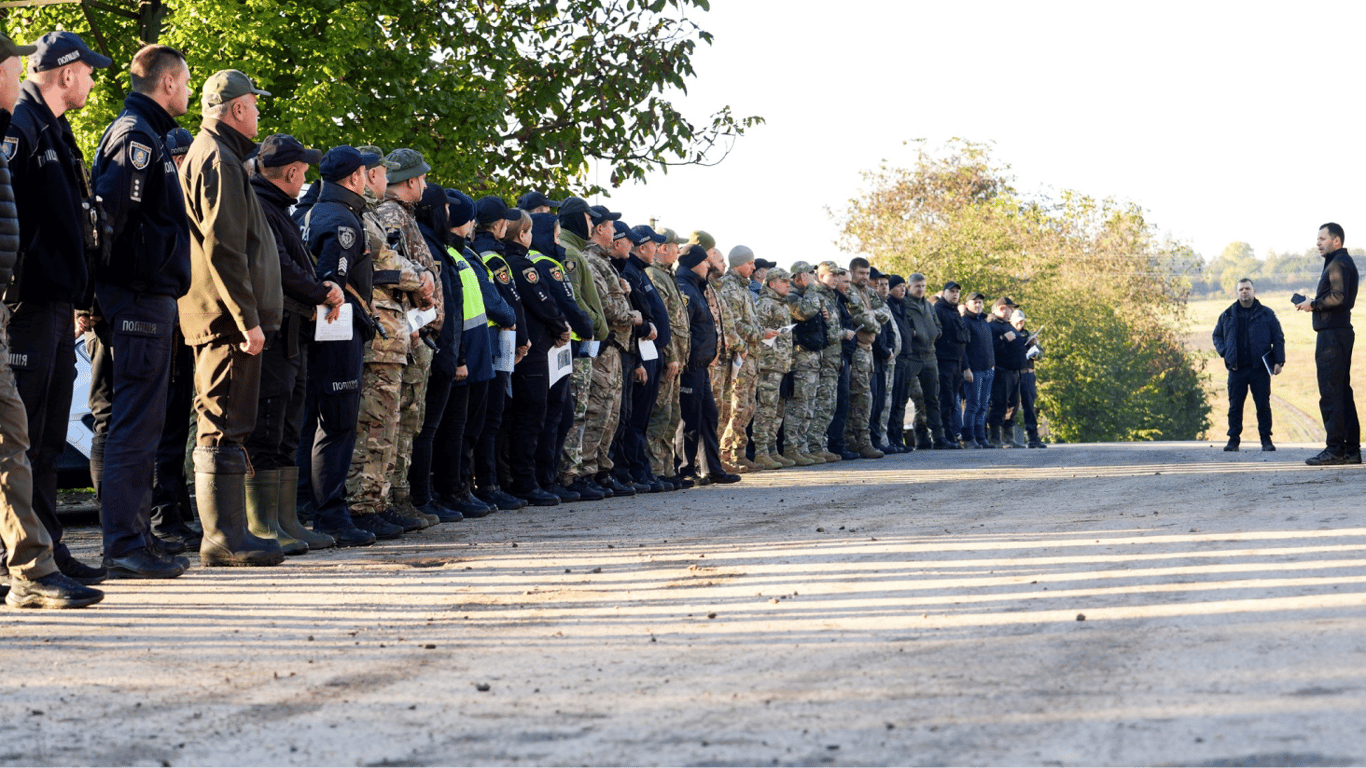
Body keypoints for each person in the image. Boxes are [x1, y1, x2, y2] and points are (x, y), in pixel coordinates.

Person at [2, 31, 111, 584]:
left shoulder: (55, 130)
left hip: (57, 306)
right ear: (66, 73)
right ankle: (16, 558)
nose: (93, 79)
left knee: (45, 441)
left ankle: (48, 550)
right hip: (27, 307)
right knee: (19, 441)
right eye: (88, 71)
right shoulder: (21, 128)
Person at [85, 44, 193, 578]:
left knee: (141, 423)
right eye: (187, 82)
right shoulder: (136, 136)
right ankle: (125, 545)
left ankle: (134, 538)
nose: (190, 93)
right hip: (136, 298)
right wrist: (107, 295)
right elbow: (108, 221)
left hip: (143, 297)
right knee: (133, 424)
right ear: (168, 83)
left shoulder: (144, 133)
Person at [178, 69, 285, 567]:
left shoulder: (221, 154)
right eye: (255, 105)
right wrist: (247, 318)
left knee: (230, 417)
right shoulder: (218, 157)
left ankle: (230, 533)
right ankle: (222, 539)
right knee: (221, 420)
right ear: (237, 109)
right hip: (224, 318)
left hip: (225, 315)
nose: (259, 113)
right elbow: (225, 248)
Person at [248, 134, 343, 552]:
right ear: (291, 172)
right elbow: (280, 267)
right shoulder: (261, 206)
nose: (307, 175)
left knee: (287, 426)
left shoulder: (278, 208)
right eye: (304, 169)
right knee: (268, 426)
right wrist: (320, 290)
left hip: (293, 331)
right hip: (275, 331)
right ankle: (263, 523)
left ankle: (284, 520)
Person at [303, 146, 381, 547]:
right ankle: (331, 515)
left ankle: (317, 510)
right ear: (354, 178)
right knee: (337, 423)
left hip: (325, 328)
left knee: (319, 422)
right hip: (336, 326)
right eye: (366, 174)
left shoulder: (315, 210)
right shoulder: (342, 220)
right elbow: (332, 281)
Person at [375, 148, 442, 525]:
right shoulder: (390, 215)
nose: (426, 185)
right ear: (412, 181)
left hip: (416, 334)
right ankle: (387, 501)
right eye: (423, 179)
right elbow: (392, 273)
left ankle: (399, 496)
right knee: (395, 422)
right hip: (405, 333)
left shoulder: (404, 216)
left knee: (408, 422)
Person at [504, 208, 570, 505]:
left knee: (527, 417)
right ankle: (526, 482)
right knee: (531, 417)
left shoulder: (507, 260)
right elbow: (542, 301)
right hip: (533, 351)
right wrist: (561, 326)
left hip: (527, 348)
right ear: (522, 234)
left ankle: (526, 480)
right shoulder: (521, 264)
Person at [1297, 223, 1360, 465]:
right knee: (1342, 392)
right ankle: (1351, 450)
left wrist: (1314, 304)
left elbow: (1340, 297)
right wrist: (1313, 301)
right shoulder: (1340, 263)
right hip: (1338, 333)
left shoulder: (1338, 263)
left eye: (1322, 238)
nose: (1318, 243)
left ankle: (1335, 449)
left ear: (1336, 241)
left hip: (1333, 336)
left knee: (1331, 393)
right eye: (1317, 239)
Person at [675, 244, 738, 484]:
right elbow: (683, 329)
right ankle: (685, 468)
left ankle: (712, 468)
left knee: (708, 416)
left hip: (701, 366)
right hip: (690, 365)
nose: (708, 266)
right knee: (689, 419)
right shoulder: (684, 288)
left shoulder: (698, 286)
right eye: (705, 262)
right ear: (693, 264)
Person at [644, 226, 691, 485]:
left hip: (677, 361)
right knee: (660, 416)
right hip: (667, 359)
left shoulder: (666, 275)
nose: (679, 251)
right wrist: (671, 354)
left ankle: (667, 470)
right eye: (675, 247)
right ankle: (655, 471)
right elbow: (664, 323)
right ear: (663, 248)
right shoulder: (654, 275)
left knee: (672, 416)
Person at [717, 245, 770, 472]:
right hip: (738, 356)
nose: (753, 267)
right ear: (738, 263)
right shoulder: (730, 288)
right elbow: (734, 324)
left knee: (748, 407)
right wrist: (760, 334)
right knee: (735, 408)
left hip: (751, 356)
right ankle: (724, 455)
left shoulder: (743, 288)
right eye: (749, 263)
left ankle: (739, 454)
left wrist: (761, 331)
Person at [782, 262, 827, 465]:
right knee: (798, 406)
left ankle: (802, 446)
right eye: (809, 274)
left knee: (808, 406)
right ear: (798, 277)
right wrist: (811, 288)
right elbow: (805, 312)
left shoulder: (806, 296)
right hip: (800, 359)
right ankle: (791, 448)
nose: (813, 277)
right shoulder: (791, 296)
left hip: (813, 359)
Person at [752, 267, 794, 468]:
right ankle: (760, 451)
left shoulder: (782, 304)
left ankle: (772, 449)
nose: (788, 284)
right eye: (784, 281)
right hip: (768, 365)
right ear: (772, 284)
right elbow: (758, 333)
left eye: (789, 281)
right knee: (766, 409)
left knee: (777, 410)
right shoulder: (766, 304)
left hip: (781, 365)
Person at [902, 273, 942, 449]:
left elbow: (937, 325)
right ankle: (916, 435)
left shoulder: (928, 305)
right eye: (917, 286)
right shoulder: (904, 304)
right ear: (908, 287)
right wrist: (913, 334)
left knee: (932, 397)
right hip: (913, 356)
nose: (921, 289)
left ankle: (937, 436)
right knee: (910, 397)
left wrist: (936, 332)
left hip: (930, 355)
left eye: (923, 286)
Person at [931, 281, 970, 449]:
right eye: (951, 291)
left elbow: (962, 343)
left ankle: (950, 435)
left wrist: (965, 366)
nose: (955, 294)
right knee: (944, 401)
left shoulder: (955, 312)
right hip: (943, 362)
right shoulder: (938, 310)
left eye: (957, 292)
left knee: (952, 402)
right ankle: (944, 437)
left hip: (957, 363)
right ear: (944, 293)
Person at [985, 297, 1027, 448]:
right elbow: (988, 348)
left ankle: (1008, 438)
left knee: (1013, 405)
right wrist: (1003, 339)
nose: (1012, 312)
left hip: (1014, 371)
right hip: (1001, 372)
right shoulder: (992, 325)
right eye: (1010, 309)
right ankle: (995, 438)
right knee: (999, 404)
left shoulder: (1006, 325)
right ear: (1002, 308)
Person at [884, 275, 917, 452]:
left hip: (907, 358)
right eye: (898, 286)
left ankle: (897, 438)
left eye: (904, 286)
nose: (902, 289)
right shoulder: (888, 305)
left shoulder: (903, 306)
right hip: (895, 359)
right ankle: (889, 438)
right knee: (893, 399)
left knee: (901, 401)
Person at [960, 291, 996, 449]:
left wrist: (992, 364)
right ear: (967, 304)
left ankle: (981, 437)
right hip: (974, 371)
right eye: (975, 302)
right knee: (973, 405)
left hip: (988, 369)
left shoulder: (984, 322)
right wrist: (966, 368)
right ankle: (968, 438)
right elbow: (962, 349)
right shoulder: (965, 322)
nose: (978, 305)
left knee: (983, 405)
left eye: (980, 302)